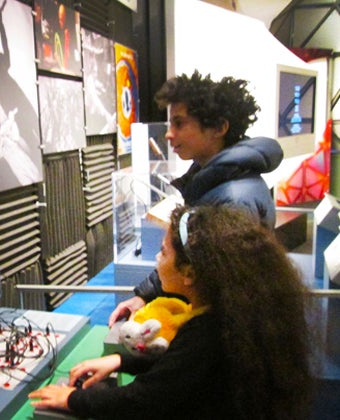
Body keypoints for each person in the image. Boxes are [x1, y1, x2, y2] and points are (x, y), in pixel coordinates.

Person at [29, 205, 314, 419]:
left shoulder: (205, 333)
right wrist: (120, 360)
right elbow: (180, 367)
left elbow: (144, 398)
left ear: (189, 272)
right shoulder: (228, 316)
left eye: (164, 252)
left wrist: (72, 399)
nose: (157, 258)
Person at [108, 70, 284, 326]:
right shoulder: (214, 182)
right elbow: (189, 259)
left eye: (179, 124)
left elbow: (226, 297)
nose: (169, 134)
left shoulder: (233, 200)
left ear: (219, 128)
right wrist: (144, 296)